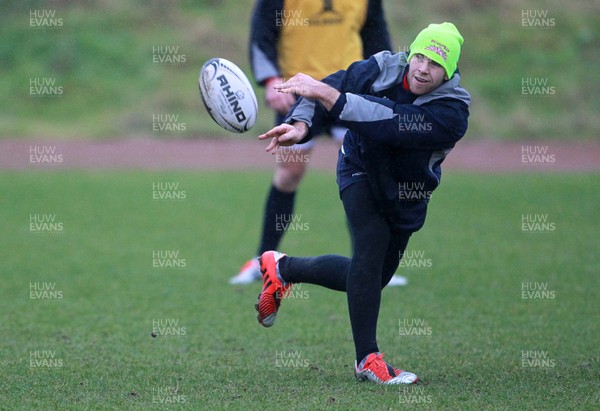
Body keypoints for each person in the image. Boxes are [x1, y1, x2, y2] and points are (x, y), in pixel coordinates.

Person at [255, 22, 471, 384]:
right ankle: (367, 360)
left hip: (407, 195)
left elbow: (392, 122)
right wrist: (301, 125)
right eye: (419, 56)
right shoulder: (385, 67)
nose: (422, 68)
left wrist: (331, 97)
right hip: (359, 169)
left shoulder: (452, 111)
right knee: (369, 257)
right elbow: (323, 88)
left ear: (448, 71)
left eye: (435, 63)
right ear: (410, 54)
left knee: (372, 278)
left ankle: (283, 268)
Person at [231, 0, 407, 287]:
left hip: (350, 91)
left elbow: (376, 38)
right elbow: (262, 33)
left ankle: (374, 266)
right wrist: (271, 80)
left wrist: (384, 85)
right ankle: (262, 261)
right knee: (289, 174)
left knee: (366, 175)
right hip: (297, 90)